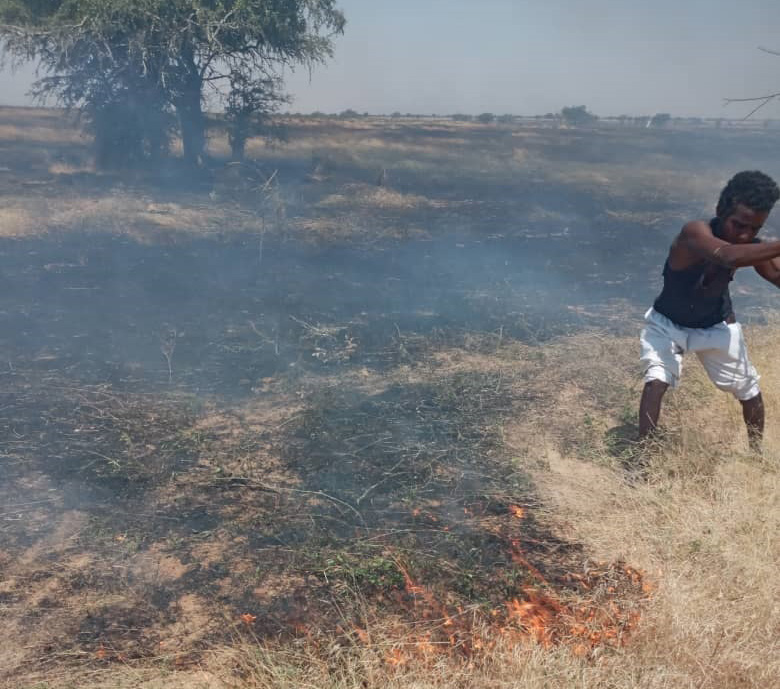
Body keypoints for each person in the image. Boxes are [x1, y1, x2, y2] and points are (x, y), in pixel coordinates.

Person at [639, 170, 780, 452]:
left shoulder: (749, 247)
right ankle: (642, 457)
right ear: (719, 210)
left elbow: (776, 276)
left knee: (748, 390)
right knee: (656, 381)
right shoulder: (695, 233)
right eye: (738, 225)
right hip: (667, 323)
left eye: (754, 229)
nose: (745, 234)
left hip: (717, 326)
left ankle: (756, 454)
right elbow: (727, 256)